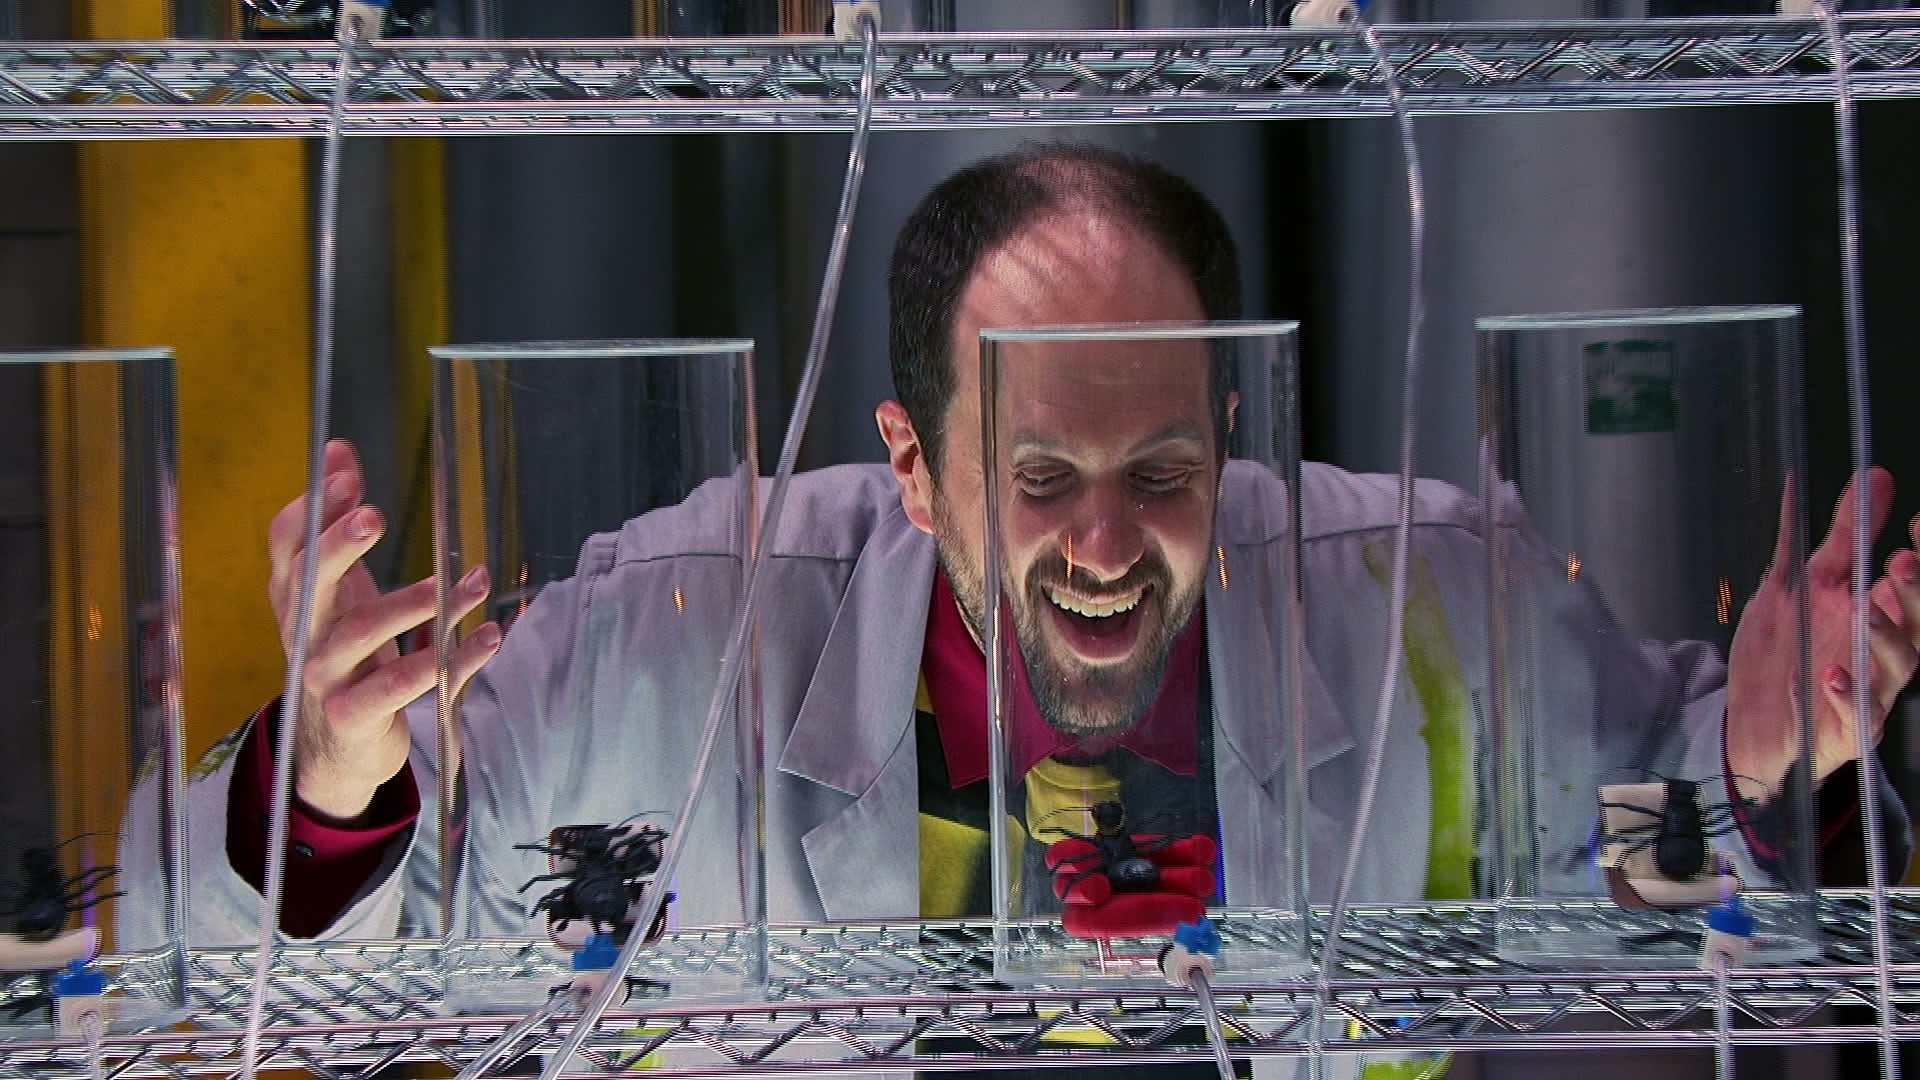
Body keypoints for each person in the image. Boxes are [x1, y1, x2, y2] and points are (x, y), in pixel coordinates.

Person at [120, 143, 1914, 959]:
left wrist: (1765, 769)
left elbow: (1637, 878)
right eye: (1041, 474)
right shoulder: (678, 634)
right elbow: (260, 947)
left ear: (1232, 427)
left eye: (1165, 465)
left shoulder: (1421, 607)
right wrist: (329, 789)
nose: (1108, 542)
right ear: (912, 465)